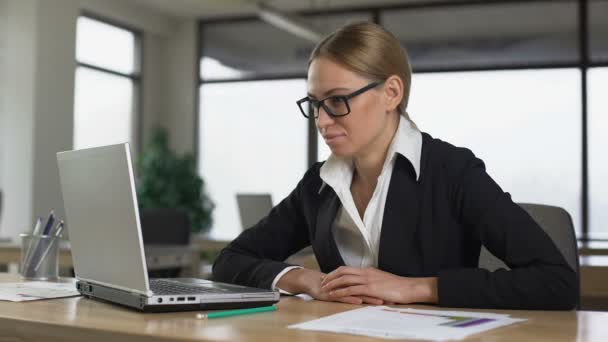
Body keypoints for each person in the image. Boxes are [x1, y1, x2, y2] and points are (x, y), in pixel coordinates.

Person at [212, 22, 577, 309]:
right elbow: (230, 260)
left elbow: (557, 282)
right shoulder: (318, 185)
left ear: (391, 93)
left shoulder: (452, 172)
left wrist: (414, 288)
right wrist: (305, 280)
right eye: (315, 103)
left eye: (337, 101)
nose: (321, 121)